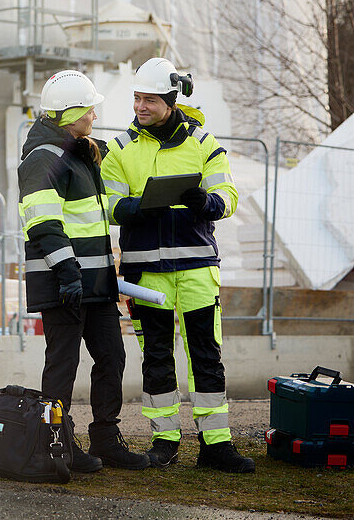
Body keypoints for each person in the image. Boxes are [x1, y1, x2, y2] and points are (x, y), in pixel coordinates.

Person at [101, 57, 255, 473]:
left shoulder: (205, 144)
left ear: (171, 101)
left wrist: (206, 202)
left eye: (149, 100)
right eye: (136, 98)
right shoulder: (117, 149)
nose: (140, 107)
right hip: (145, 274)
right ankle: (164, 440)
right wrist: (133, 209)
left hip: (197, 269)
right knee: (156, 356)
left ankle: (215, 445)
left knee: (206, 355)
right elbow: (107, 206)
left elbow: (228, 197)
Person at [18, 69, 149, 473]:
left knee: (111, 356)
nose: (94, 114)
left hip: (94, 283)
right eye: (88, 109)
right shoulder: (42, 158)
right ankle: (55, 443)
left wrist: (135, 207)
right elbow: (42, 222)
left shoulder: (79, 154)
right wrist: (67, 272)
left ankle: (106, 440)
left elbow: (95, 214)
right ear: (71, 112)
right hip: (67, 283)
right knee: (63, 365)